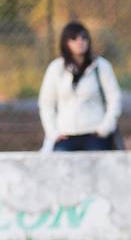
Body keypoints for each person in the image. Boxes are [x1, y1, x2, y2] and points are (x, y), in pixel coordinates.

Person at [38, 22, 121, 152]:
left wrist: (105, 128)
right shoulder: (56, 68)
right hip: (65, 135)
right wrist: (53, 133)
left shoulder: (101, 66)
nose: (80, 42)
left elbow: (115, 98)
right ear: (66, 42)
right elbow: (46, 103)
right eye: (74, 38)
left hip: (94, 134)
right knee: (60, 164)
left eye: (84, 38)